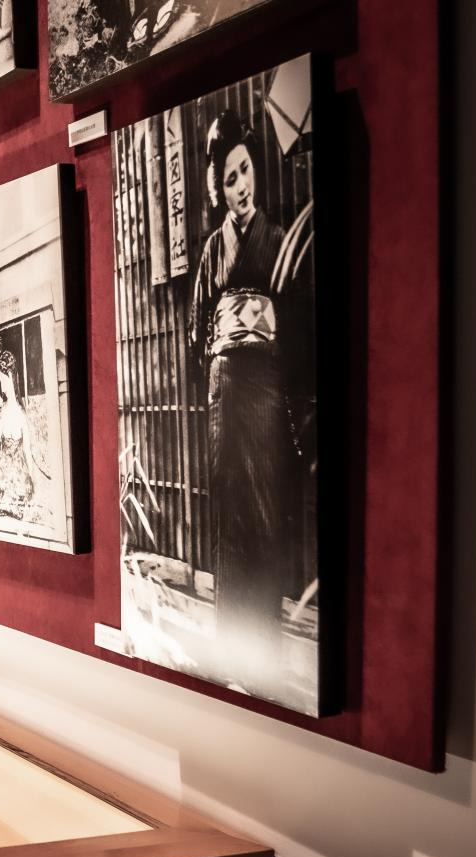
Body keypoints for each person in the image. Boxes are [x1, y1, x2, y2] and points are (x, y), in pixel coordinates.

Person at [185, 109, 300, 670]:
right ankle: (232, 639)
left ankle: (265, 644)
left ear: (256, 168)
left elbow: (297, 322)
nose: (241, 186)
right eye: (229, 178)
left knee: (265, 505)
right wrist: (213, 369)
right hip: (226, 392)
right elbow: (196, 330)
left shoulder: (277, 239)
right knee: (230, 505)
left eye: (245, 170)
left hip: (267, 390)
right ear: (219, 188)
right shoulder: (214, 250)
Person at [0, 349, 50, 520]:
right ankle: (10, 501)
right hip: (11, 472)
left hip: (11, 474)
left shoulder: (14, 414)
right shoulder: (14, 413)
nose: (2, 387)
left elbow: (20, 452)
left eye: (3, 381)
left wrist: (32, 481)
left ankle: (9, 501)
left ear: (10, 380)